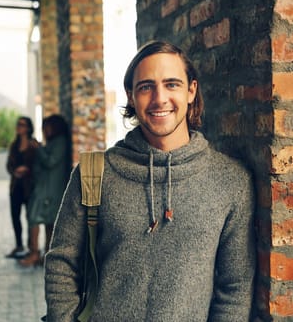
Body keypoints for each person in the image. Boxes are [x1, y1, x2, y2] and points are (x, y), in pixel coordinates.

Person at [45, 41, 256, 321]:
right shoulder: (94, 173)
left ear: (191, 91)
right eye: (146, 86)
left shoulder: (230, 181)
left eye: (172, 84)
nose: (159, 98)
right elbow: (62, 263)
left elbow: (235, 287)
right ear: (131, 96)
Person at [20, 114, 71, 267]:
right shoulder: (54, 142)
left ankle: (36, 253)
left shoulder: (60, 142)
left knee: (35, 218)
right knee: (47, 220)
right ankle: (43, 253)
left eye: (48, 126)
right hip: (45, 187)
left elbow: (50, 162)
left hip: (49, 189)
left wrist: (39, 148)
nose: (45, 130)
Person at [5, 116, 38, 258]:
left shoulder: (34, 145)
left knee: (30, 217)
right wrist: (15, 171)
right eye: (18, 124)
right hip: (15, 186)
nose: (19, 127)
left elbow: (38, 166)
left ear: (28, 128)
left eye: (22, 124)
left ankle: (32, 247)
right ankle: (19, 245)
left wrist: (27, 170)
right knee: (15, 216)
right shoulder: (13, 145)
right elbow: (8, 165)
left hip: (29, 187)